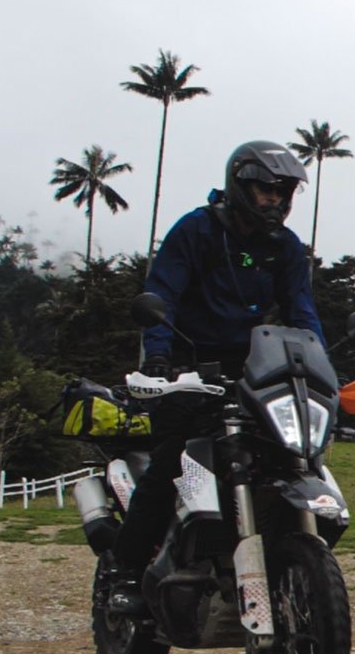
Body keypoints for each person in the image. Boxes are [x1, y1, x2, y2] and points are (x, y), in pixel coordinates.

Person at [107, 140, 325, 611]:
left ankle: (282, 559)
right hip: (189, 366)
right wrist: (160, 361)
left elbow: (302, 311)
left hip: (255, 369)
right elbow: (161, 293)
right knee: (170, 464)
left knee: (290, 455)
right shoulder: (197, 230)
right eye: (264, 190)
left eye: (282, 191)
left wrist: (319, 363)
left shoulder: (285, 248)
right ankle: (125, 574)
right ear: (239, 185)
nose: (274, 199)